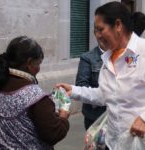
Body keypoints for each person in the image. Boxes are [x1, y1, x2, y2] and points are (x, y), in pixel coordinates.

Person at [56, 2, 145, 150]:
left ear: (118, 25)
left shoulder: (142, 51)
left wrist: (143, 118)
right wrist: (74, 90)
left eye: (100, 29)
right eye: (95, 30)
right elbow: (105, 94)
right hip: (114, 143)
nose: (97, 35)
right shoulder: (108, 58)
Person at [0, 36, 70, 150]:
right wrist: (63, 116)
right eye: (38, 64)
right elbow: (53, 134)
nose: (39, 68)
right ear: (29, 63)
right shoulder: (36, 97)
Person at [75, 25, 106, 130]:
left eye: (103, 31)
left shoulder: (122, 56)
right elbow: (81, 85)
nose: (100, 35)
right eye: (97, 32)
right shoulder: (87, 57)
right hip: (94, 116)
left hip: (117, 116)